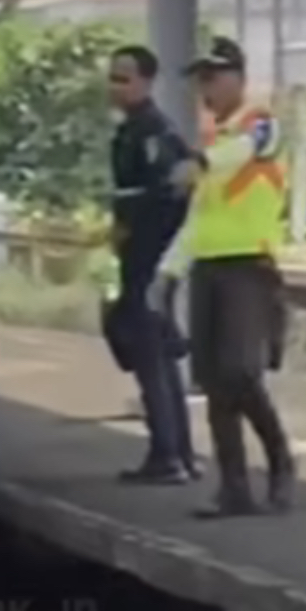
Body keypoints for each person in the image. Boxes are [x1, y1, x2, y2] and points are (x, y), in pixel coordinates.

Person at [150, 37, 295, 518]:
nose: (205, 89)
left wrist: (201, 163)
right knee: (213, 380)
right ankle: (233, 487)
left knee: (240, 372)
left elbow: (246, 150)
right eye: (200, 81)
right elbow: (198, 221)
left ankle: (279, 461)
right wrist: (168, 275)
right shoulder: (214, 144)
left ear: (237, 77)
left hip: (248, 267)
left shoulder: (259, 126)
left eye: (212, 77)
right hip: (210, 268)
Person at [106, 45, 199, 485]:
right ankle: (178, 451)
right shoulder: (136, 130)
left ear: (146, 81)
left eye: (124, 78)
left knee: (150, 354)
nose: (115, 86)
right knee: (157, 354)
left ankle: (168, 455)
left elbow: (170, 198)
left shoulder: (152, 134)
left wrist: (136, 234)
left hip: (148, 259)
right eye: (113, 77)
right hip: (143, 257)